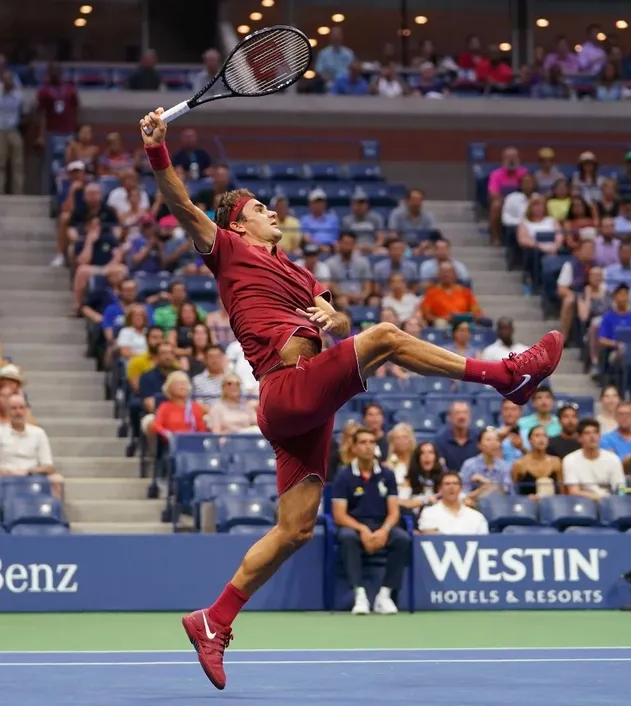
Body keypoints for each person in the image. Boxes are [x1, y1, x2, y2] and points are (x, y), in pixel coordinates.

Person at [138, 107, 563, 690]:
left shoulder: (301, 273)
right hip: (287, 393)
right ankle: (507, 376)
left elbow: (338, 322)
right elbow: (182, 205)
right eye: (261, 209)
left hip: (303, 411)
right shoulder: (227, 252)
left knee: (295, 530)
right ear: (237, 226)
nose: (273, 211)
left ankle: (214, 620)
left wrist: (335, 316)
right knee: (387, 337)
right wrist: (158, 150)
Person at [331, 427, 409, 615]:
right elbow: (339, 515)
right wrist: (363, 530)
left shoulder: (387, 474)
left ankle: (385, 595)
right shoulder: (344, 475)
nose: (368, 447)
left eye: (371, 442)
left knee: (402, 539)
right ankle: (360, 595)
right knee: (347, 538)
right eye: (363, 443)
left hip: (382, 525)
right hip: (354, 525)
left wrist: (384, 530)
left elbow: (394, 511)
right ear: (354, 447)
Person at [417, 471, 489, 534]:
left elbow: (485, 542)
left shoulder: (476, 517)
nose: (451, 487)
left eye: (455, 483)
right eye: (447, 484)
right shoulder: (429, 513)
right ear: (440, 489)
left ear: (461, 488)